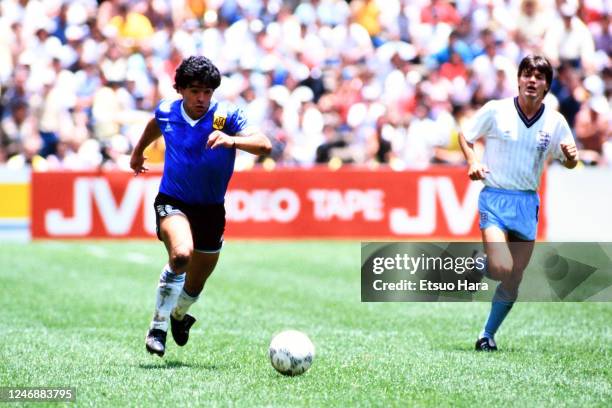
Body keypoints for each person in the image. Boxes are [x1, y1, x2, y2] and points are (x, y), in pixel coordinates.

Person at [130, 56, 272, 357]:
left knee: (195, 285)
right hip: (173, 200)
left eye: (208, 91)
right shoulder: (168, 110)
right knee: (181, 255)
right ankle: (158, 327)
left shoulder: (228, 115)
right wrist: (137, 152)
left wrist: (232, 141)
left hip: (211, 209)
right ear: (180, 89)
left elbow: (264, 145)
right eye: (195, 91)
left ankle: (179, 316)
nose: (202, 98)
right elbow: (155, 123)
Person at [459, 55, 578, 351]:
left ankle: (486, 335)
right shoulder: (496, 110)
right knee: (501, 268)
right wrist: (473, 160)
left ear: (547, 85)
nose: (531, 81)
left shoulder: (555, 122)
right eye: (527, 74)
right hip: (496, 199)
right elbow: (466, 134)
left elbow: (569, 162)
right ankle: (481, 263)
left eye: (539, 77)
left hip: (526, 203)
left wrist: (572, 158)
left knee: (514, 279)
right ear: (519, 79)